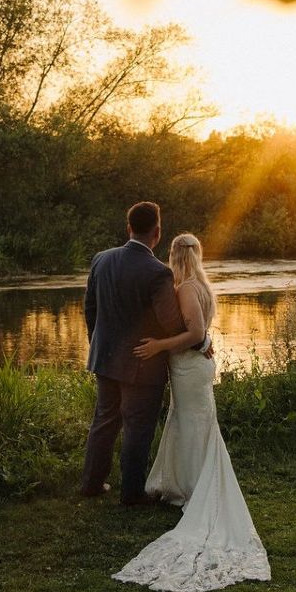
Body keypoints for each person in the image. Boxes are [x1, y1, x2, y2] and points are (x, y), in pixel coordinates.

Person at [113, 232, 271, 592]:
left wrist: (158, 346)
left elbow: (196, 333)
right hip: (193, 368)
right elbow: (203, 335)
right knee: (188, 423)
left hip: (188, 368)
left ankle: (195, 487)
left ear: (173, 255)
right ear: (197, 256)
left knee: (194, 424)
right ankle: (185, 483)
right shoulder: (201, 285)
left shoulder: (185, 289)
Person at [80, 201, 208, 505]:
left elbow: (90, 309)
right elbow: (172, 323)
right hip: (143, 363)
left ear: (128, 229)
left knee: (105, 420)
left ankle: (91, 484)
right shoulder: (158, 273)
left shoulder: (101, 259)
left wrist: (99, 344)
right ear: (158, 232)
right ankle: (132, 493)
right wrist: (200, 343)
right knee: (138, 428)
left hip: (105, 358)